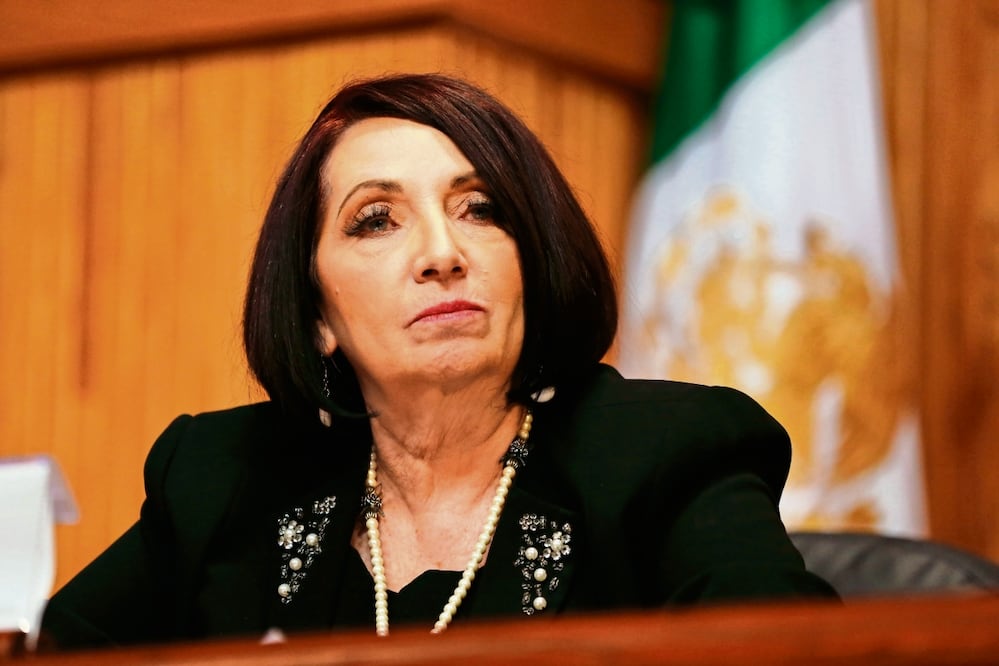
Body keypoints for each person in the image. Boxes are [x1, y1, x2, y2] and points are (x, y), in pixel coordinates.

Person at [41, 73, 836, 649]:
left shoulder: (666, 452)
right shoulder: (221, 478)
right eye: (376, 220)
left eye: (479, 209)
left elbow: (796, 652)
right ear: (318, 313)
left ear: (533, 261)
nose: (441, 253)